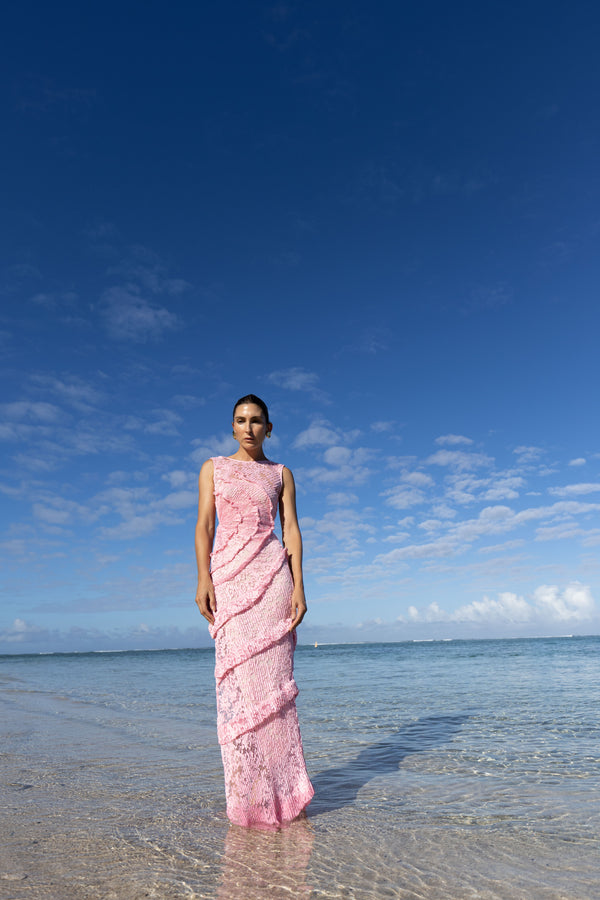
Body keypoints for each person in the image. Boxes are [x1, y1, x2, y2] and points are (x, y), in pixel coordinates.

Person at [195, 394, 314, 827]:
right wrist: (203, 578)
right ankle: (250, 802)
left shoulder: (282, 474)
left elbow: (292, 530)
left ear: (269, 427)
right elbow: (205, 525)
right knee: (244, 695)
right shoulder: (213, 468)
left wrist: (299, 584)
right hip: (229, 581)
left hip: (272, 581)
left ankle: (286, 799)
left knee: (275, 695)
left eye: (256, 421)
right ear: (232, 428)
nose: (248, 427)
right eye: (241, 421)